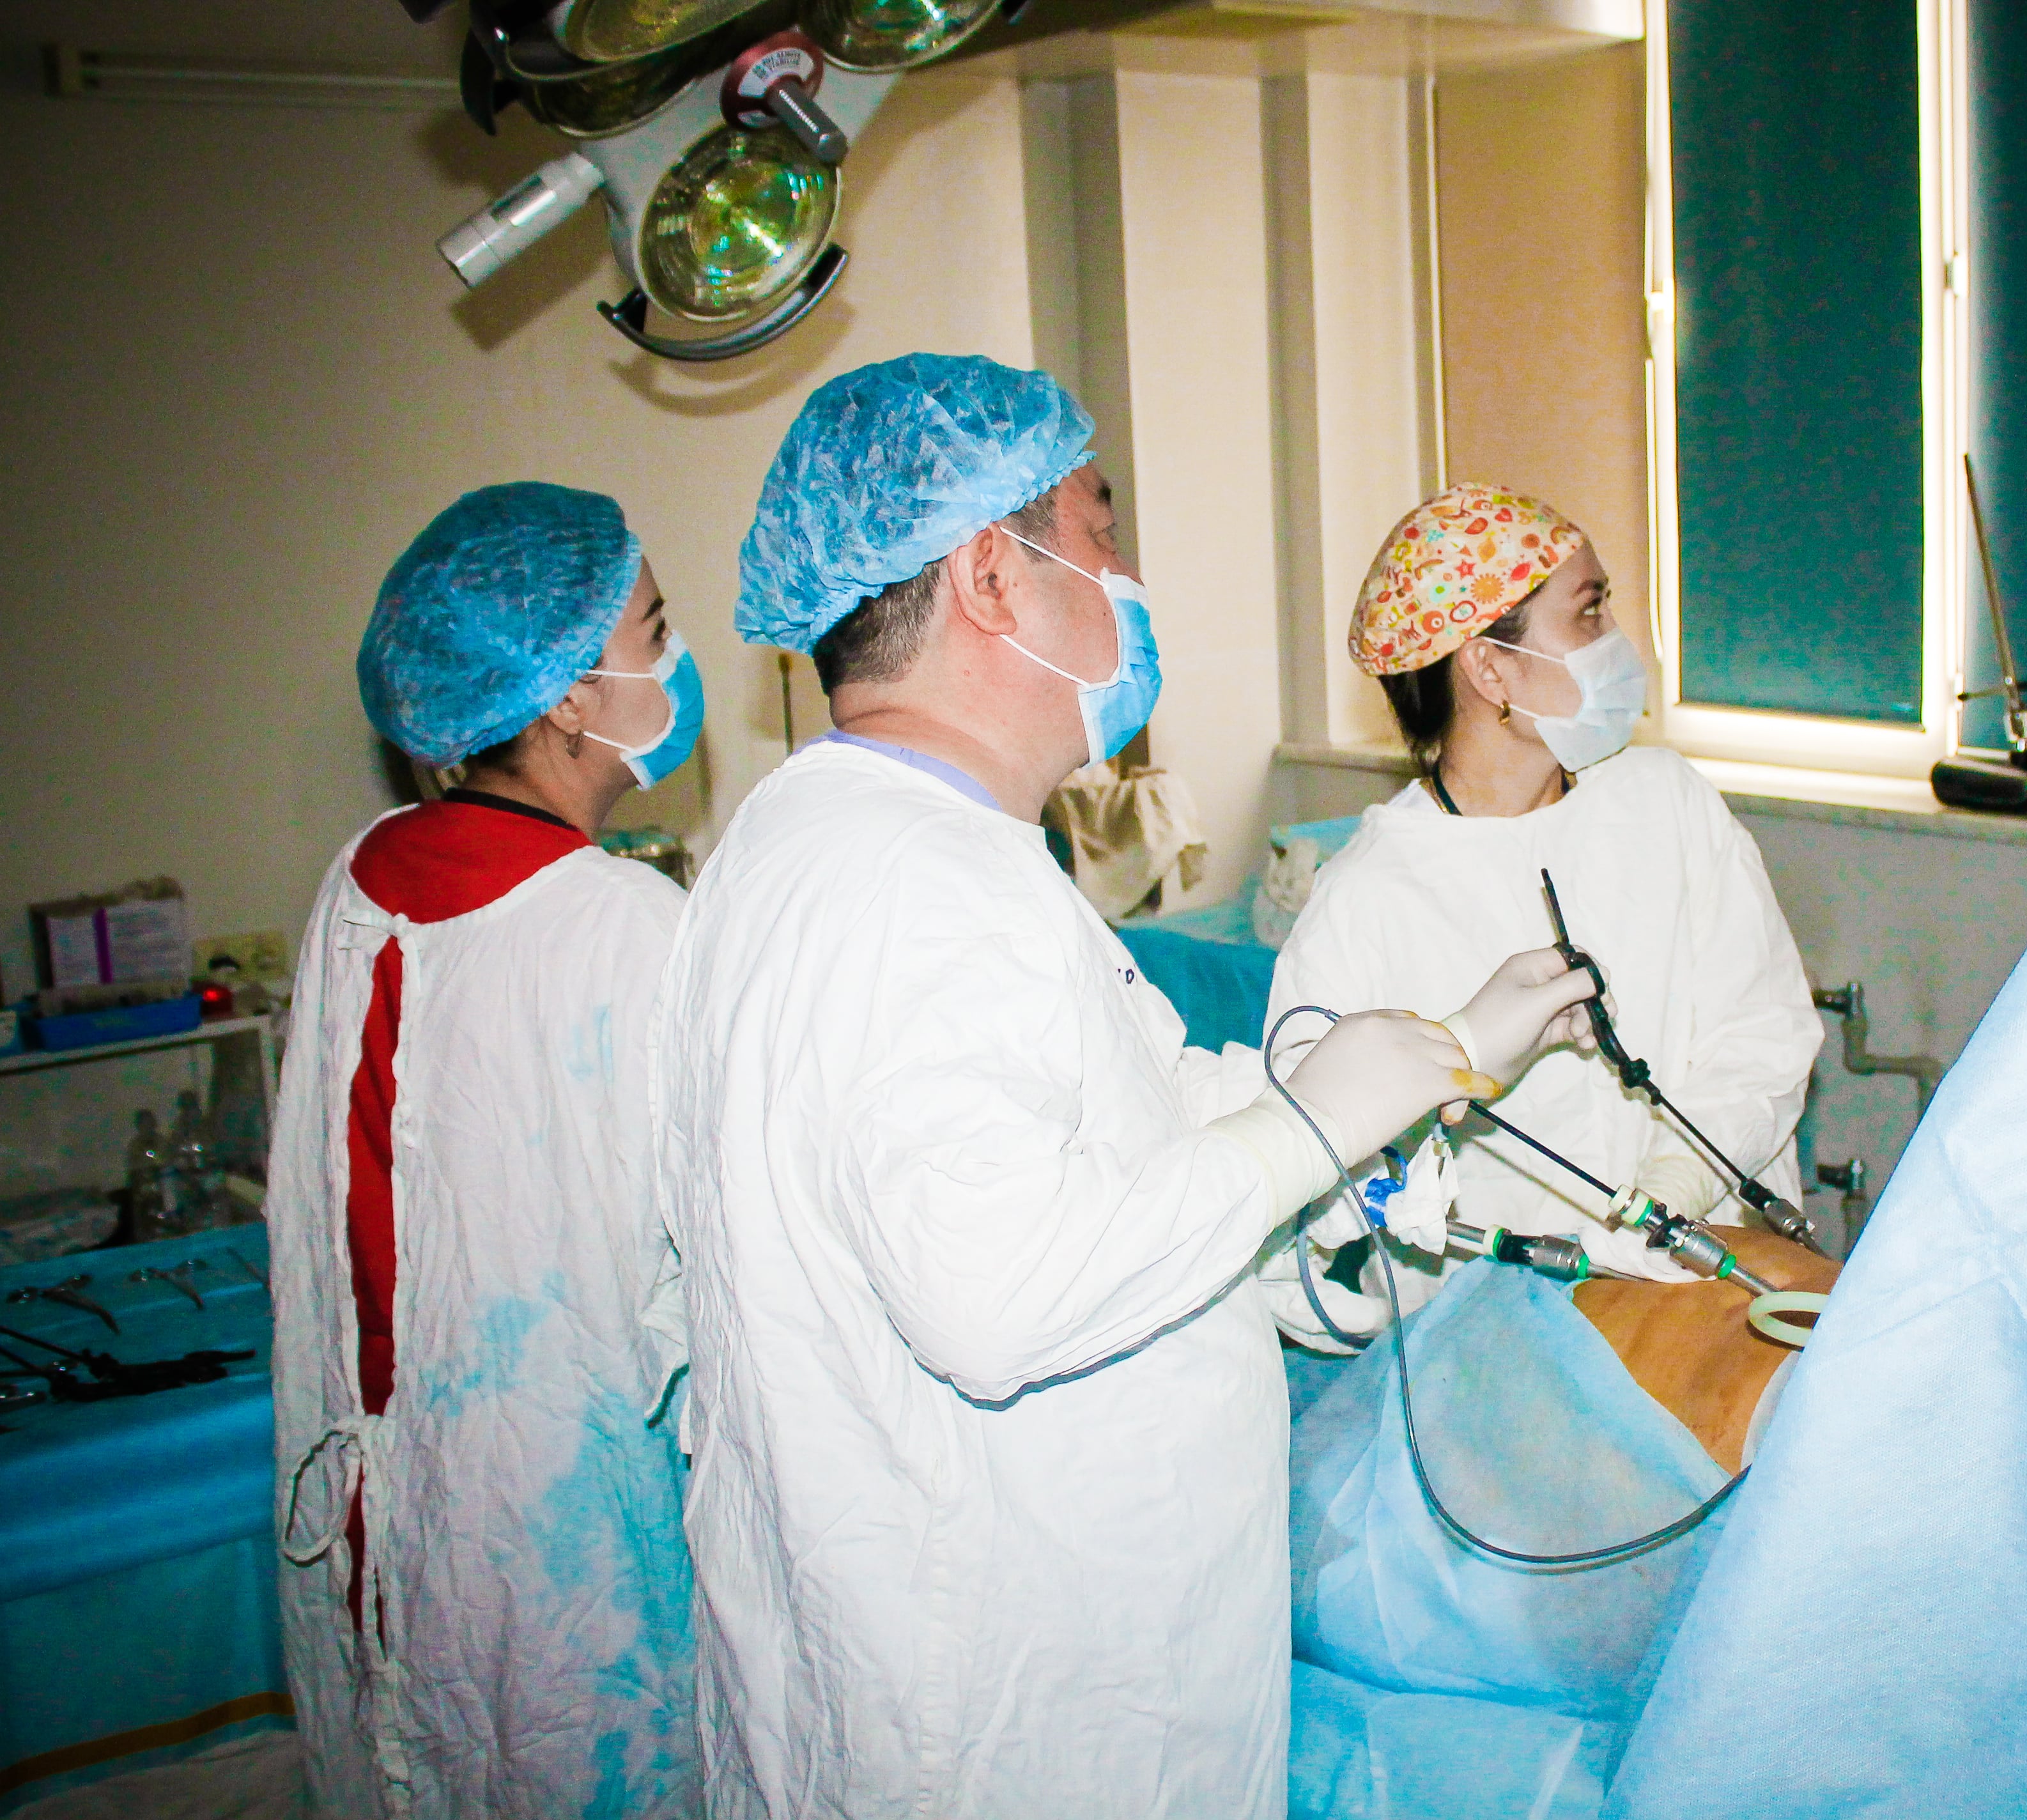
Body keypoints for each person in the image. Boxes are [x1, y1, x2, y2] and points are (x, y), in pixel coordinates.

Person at [654, 353, 1594, 1819]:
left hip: (992, 1666)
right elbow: (1000, 1294)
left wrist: (1408, 1084)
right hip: (1008, 1722)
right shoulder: (905, 884)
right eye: (1101, 533)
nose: (1130, 581)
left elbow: (1118, 1121)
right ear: (989, 574)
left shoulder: (879, 845)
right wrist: (1308, 1124)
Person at [268, 483, 703, 1819]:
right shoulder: (622, 926)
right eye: (654, 629)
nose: (676, 659)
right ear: (569, 696)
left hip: (389, 1507)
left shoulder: (360, 877)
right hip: (567, 1531)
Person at [1266, 482, 1824, 1345]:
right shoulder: (1368, 902)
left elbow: (1767, 1032)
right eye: (1590, 612)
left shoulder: (1665, 803)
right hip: (1512, 1344)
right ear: (1490, 669)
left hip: (1721, 1285)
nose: (1619, 640)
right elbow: (1316, 1169)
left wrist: (1676, 1186)